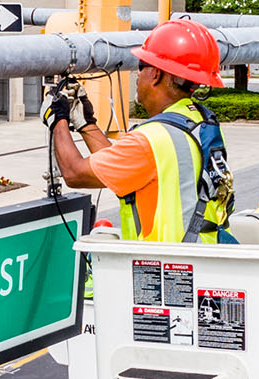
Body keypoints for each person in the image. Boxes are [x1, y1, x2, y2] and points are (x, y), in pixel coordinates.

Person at [47, 19, 234, 243]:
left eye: (141, 66)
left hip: (169, 267)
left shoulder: (151, 140)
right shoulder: (199, 121)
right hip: (206, 258)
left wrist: (57, 119)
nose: (137, 76)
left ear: (155, 74)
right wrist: (86, 124)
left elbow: (74, 173)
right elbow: (123, 166)